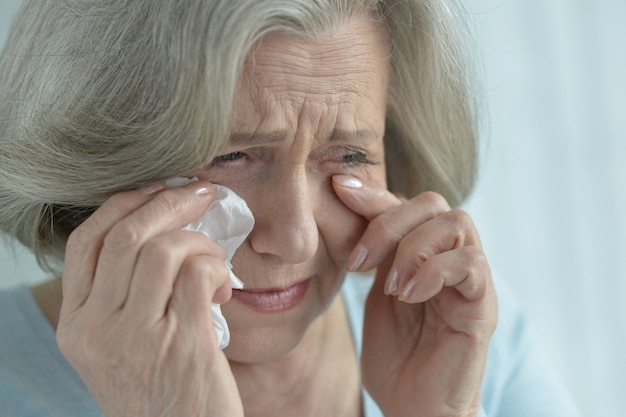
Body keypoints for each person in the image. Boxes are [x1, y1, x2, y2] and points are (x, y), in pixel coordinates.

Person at [0, 0, 583, 416]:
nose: (298, 238)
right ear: (94, 158)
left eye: (349, 154)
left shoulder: (452, 332)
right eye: (231, 156)